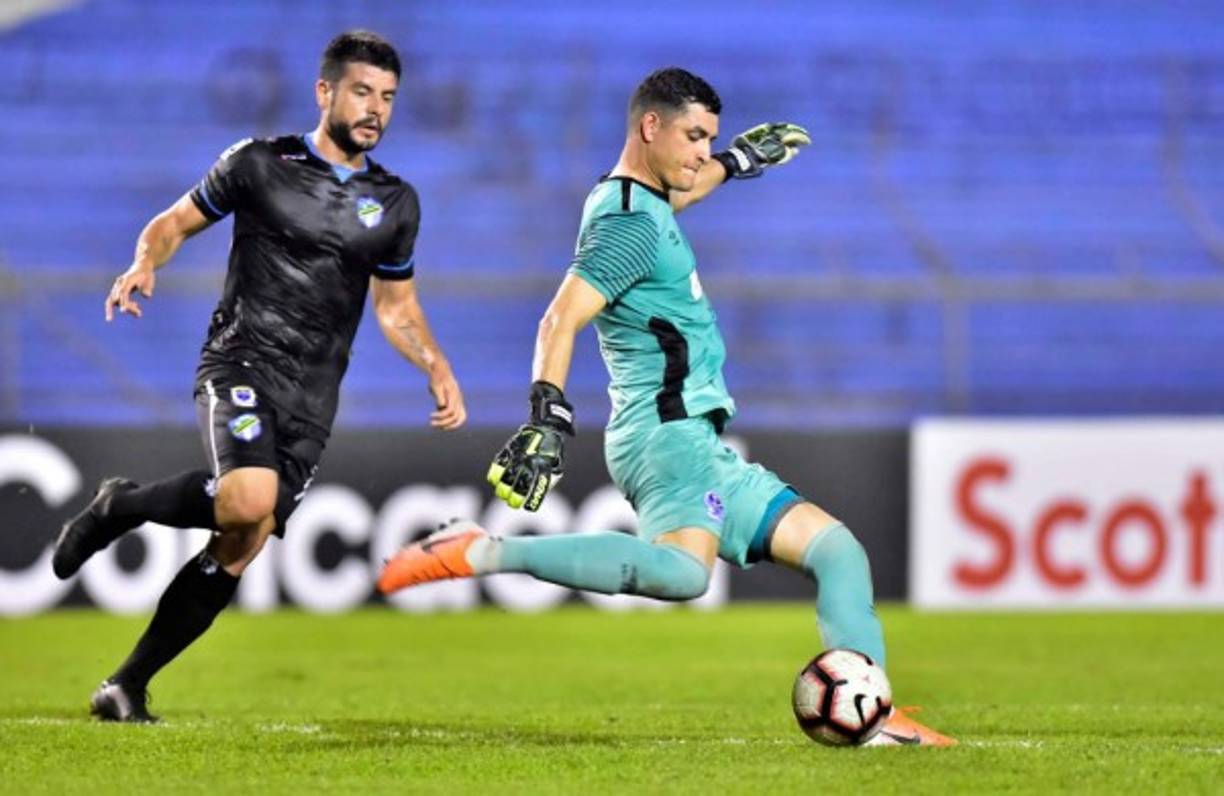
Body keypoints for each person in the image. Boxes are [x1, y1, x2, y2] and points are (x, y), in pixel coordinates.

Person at [378, 67, 953, 747]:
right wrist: (547, 415)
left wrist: (735, 162)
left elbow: (684, 193)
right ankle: (482, 552)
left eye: (709, 137)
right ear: (649, 126)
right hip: (665, 433)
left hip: (696, 437)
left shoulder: (641, 200)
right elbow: (559, 320)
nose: (702, 153)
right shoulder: (627, 225)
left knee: (838, 553)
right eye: (693, 136)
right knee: (683, 573)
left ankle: (875, 713)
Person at [52, 30, 467, 722]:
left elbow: (397, 306)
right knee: (248, 501)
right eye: (362, 92)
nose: (375, 110)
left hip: (314, 397)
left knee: (241, 542)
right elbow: (175, 221)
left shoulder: (396, 203)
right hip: (242, 359)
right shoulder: (259, 163)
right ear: (325, 91)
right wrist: (145, 260)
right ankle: (117, 507)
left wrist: (435, 364)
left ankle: (126, 684)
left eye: (388, 98)